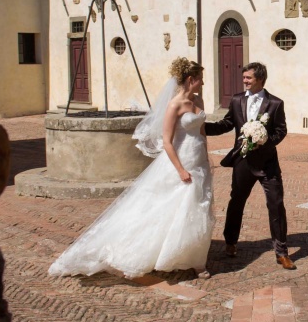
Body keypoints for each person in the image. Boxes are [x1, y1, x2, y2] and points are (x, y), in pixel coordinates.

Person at [49, 57, 214, 278]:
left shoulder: (199, 101)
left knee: (199, 207)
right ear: (190, 79)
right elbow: (167, 141)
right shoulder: (174, 105)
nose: (202, 83)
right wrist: (180, 170)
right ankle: (175, 255)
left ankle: (194, 257)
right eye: (200, 79)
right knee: (176, 208)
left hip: (199, 160)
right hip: (180, 161)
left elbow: (201, 131)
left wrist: (206, 155)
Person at [204, 62, 295, 269]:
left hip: (268, 163)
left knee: (276, 204)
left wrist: (264, 141)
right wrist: (200, 128)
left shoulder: (275, 103)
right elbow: (226, 124)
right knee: (236, 202)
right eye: (244, 77)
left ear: (260, 79)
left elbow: (281, 130)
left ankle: (281, 253)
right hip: (242, 161)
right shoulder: (236, 100)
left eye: (248, 78)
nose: (244, 81)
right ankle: (230, 242)